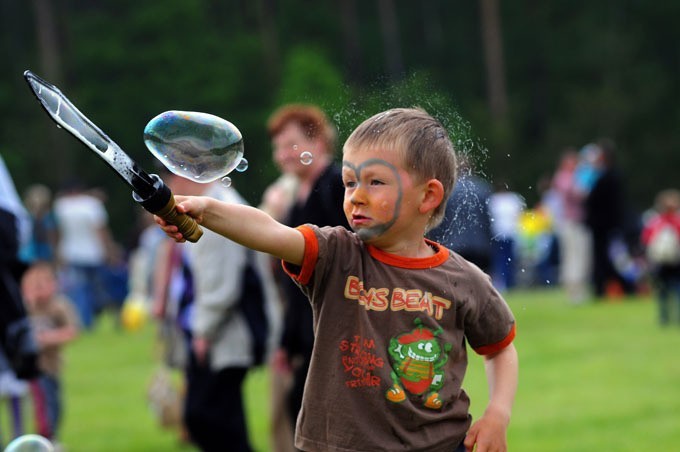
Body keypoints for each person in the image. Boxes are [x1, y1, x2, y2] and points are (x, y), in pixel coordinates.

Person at [157, 107, 518, 452]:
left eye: (375, 181)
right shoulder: (337, 254)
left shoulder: (463, 279)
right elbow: (269, 231)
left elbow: (500, 347)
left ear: (428, 195)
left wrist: (497, 415)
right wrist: (205, 209)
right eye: (349, 182)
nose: (356, 196)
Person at [164, 172, 278, 452]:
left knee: (207, 417)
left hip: (227, 334)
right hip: (222, 332)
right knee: (220, 418)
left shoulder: (215, 207)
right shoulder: (215, 201)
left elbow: (221, 282)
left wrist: (203, 332)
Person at [266, 104, 350, 444]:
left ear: (318, 144)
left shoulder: (338, 187)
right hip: (306, 330)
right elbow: (294, 280)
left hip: (336, 328)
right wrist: (287, 341)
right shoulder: (294, 199)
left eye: (291, 144)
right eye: (278, 147)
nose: (283, 154)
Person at [21, 261, 79, 441]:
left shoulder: (58, 306)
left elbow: (72, 331)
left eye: (42, 285)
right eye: (32, 286)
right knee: (42, 407)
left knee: (56, 405)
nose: (37, 291)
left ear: (54, 284)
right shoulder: (25, 308)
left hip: (53, 367)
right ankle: (45, 438)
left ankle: (51, 437)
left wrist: (48, 338)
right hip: (33, 369)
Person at [53, 182, 113, 329]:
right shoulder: (92, 204)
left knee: (80, 289)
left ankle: (85, 321)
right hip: (93, 253)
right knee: (95, 288)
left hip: (71, 253)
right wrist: (108, 250)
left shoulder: (61, 206)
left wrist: (58, 252)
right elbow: (100, 230)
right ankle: (92, 318)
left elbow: (58, 232)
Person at [583, 138, 635, 298]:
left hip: (604, 225)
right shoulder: (607, 175)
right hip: (604, 224)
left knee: (606, 260)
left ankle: (618, 287)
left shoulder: (607, 176)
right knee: (605, 259)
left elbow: (598, 200)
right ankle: (613, 287)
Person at [427, 155, 493, 273]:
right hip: (480, 246)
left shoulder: (446, 190)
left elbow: (439, 220)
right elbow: (488, 220)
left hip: (454, 245)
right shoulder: (483, 188)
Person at [551, 148, 592, 302]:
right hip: (570, 222)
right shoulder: (564, 178)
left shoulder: (574, 177)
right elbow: (576, 194)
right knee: (573, 256)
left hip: (577, 221)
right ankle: (574, 290)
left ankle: (579, 288)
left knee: (581, 256)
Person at [640, 189, 680, 325]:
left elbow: (646, 239)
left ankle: (664, 318)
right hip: (673, 262)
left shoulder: (655, 222)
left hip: (661, 262)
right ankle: (670, 317)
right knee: (674, 289)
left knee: (663, 291)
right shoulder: (675, 222)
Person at [488, 180, 525, 291]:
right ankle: (509, 282)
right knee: (509, 259)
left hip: (499, 233)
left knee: (501, 259)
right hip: (509, 233)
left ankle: (504, 283)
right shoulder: (513, 199)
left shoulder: (494, 200)